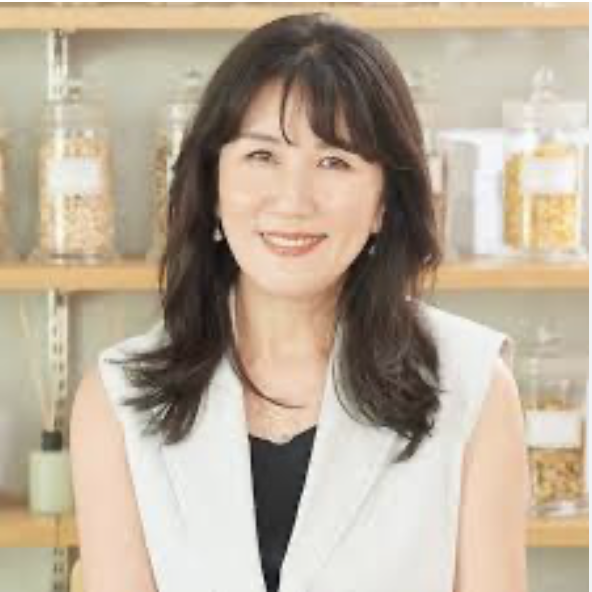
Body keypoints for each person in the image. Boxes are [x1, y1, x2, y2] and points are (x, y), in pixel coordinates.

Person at [70, 12, 529, 592]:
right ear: (213, 185)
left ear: (385, 203)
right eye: (262, 157)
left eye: (335, 162)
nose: (293, 200)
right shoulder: (118, 399)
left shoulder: (473, 387)